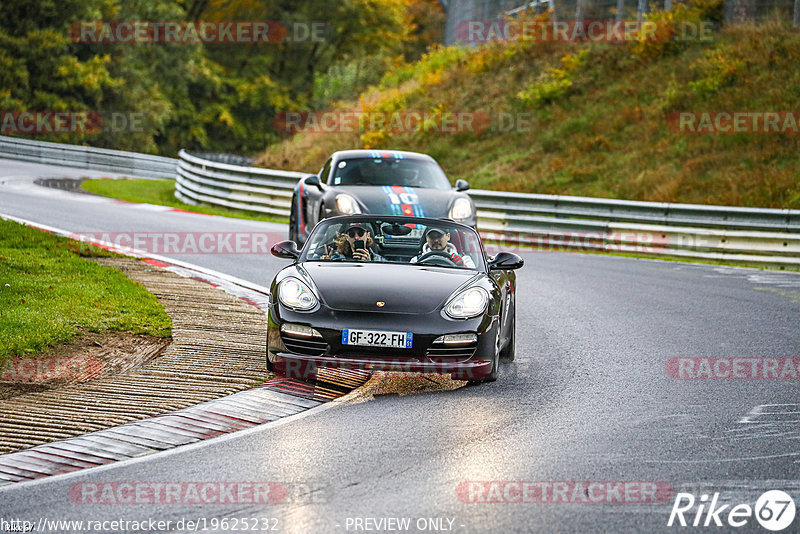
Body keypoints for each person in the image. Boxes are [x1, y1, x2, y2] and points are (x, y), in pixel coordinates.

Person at [410, 227, 475, 268]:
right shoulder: (416, 260)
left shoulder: (464, 259)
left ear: (448, 236)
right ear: (427, 238)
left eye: (439, 236)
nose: (436, 240)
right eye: (432, 237)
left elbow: (472, 277)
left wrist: (462, 266)